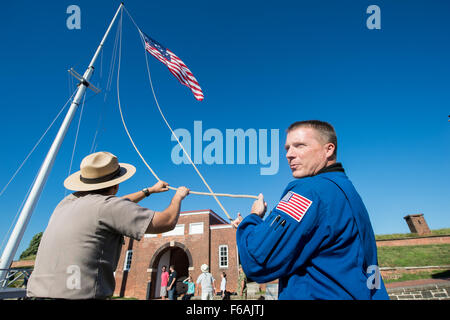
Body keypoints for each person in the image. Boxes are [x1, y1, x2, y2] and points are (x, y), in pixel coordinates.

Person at [233, 120, 389, 300]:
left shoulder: (308, 191)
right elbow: (370, 269)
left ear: (328, 149)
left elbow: (258, 260)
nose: (289, 155)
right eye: (287, 148)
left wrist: (252, 219)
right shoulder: (350, 194)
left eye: (300, 146)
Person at [26, 151, 190, 299]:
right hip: (80, 296)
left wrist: (149, 191)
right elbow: (167, 221)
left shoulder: (64, 204)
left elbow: (116, 204)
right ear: (116, 184)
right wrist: (178, 196)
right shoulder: (108, 207)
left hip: (37, 294)